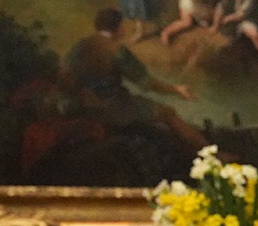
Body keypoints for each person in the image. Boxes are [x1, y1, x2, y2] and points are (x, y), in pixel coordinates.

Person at [62, 8, 210, 154]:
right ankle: (211, 154)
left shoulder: (80, 46)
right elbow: (146, 83)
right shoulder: (116, 50)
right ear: (119, 27)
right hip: (113, 107)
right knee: (168, 113)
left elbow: (66, 75)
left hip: (83, 105)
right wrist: (177, 90)